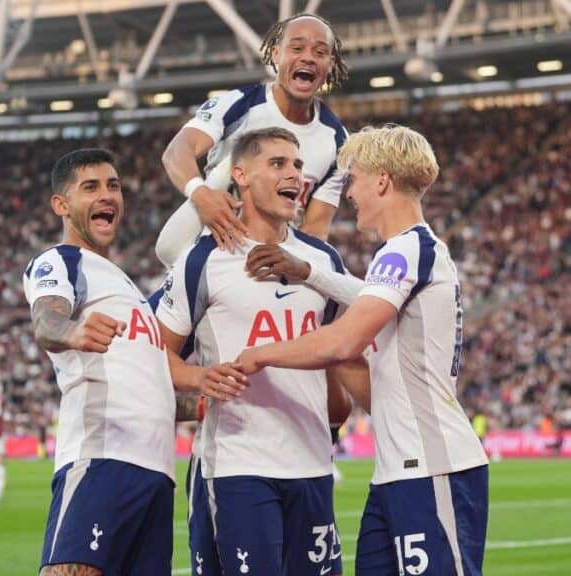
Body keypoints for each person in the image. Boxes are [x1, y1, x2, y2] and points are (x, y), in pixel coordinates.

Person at [237, 125, 490, 576]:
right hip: (397, 472)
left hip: (431, 468)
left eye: (354, 178)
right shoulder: (414, 252)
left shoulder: (405, 251)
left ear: (382, 181)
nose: (349, 191)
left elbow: (345, 340)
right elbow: (367, 296)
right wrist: (308, 271)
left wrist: (261, 354)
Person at [155, 128, 367, 576]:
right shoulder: (201, 261)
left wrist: (336, 398)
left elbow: (334, 349)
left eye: (296, 165)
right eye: (278, 164)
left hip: (312, 465)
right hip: (237, 465)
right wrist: (199, 379)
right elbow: (155, 355)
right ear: (241, 177)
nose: (294, 174)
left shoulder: (322, 261)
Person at [25, 148, 175, 576]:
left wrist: (201, 403)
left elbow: (148, 385)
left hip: (157, 474)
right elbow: (46, 319)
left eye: (113, 185)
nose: (107, 195)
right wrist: (72, 331)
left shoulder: (132, 292)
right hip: (102, 459)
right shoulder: (62, 261)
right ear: (61, 205)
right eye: (90, 187)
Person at [158, 12, 350, 263]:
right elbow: (176, 151)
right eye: (297, 48)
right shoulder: (235, 105)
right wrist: (201, 194)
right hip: (212, 252)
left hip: (273, 262)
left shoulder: (338, 141)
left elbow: (315, 229)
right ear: (276, 54)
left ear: (331, 63)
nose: (308, 57)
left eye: (319, 52)